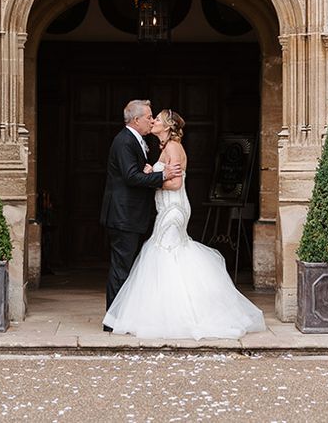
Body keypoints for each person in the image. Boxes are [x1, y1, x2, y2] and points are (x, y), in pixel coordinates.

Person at [103, 109, 266, 340]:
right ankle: (166, 313)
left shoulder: (173, 148)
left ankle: (179, 315)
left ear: (168, 126)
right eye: (152, 118)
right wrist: (154, 172)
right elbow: (164, 175)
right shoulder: (165, 148)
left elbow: (175, 184)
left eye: (157, 119)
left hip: (173, 210)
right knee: (168, 255)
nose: (154, 122)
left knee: (164, 254)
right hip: (167, 210)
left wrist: (155, 179)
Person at [100, 100, 181, 330]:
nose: (152, 120)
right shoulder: (124, 141)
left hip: (129, 215)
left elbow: (136, 172)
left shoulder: (137, 141)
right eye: (148, 117)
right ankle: (113, 322)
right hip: (123, 215)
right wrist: (161, 175)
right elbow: (131, 177)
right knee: (121, 268)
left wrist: (150, 169)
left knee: (124, 266)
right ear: (136, 120)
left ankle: (120, 317)